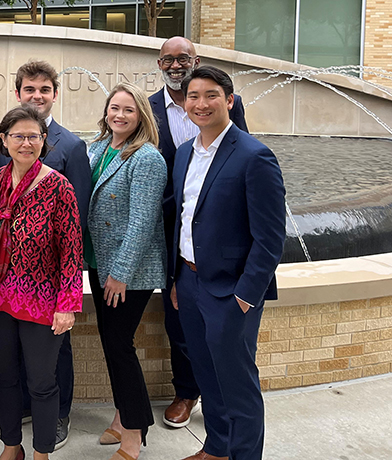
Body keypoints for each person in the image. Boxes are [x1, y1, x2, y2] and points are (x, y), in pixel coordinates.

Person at [170, 66, 285, 460]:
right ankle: (216, 448)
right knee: (206, 374)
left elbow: (270, 238)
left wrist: (245, 295)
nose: (201, 104)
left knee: (237, 385)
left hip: (230, 291)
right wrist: (176, 277)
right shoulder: (185, 152)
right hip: (189, 282)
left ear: (229, 101)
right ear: (184, 104)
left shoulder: (255, 155)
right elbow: (185, 219)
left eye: (211, 95)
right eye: (193, 96)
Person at [0, 104, 82, 460]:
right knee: (5, 376)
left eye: (34, 136)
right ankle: (11, 446)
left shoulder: (58, 186)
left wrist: (68, 304)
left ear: (44, 140)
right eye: (18, 136)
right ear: (4, 140)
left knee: (42, 382)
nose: (26, 143)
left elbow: (72, 250)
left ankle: (41, 452)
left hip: (41, 300)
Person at [148, 36, 250, 429]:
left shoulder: (230, 112)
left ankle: (227, 419)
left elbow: (241, 158)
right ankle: (187, 391)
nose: (176, 64)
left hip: (220, 237)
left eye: (183, 58)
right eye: (168, 59)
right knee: (180, 320)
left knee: (227, 345)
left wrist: (246, 288)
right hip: (172, 234)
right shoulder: (150, 107)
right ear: (159, 64)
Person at [0, 60, 90, 447]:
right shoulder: (5, 147)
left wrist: (68, 296)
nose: (37, 96)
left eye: (44, 90)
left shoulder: (72, 147)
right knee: (9, 367)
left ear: (54, 94)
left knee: (53, 358)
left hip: (47, 287)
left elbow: (74, 229)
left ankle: (58, 414)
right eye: (30, 89)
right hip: (3, 289)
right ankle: (21, 411)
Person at [84, 83, 166, 460]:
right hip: (99, 266)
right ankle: (120, 419)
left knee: (120, 347)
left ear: (141, 117)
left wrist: (120, 272)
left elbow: (142, 222)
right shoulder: (98, 148)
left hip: (127, 273)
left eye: (128, 110)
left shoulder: (147, 158)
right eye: (114, 108)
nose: (119, 115)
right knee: (112, 345)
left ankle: (134, 434)